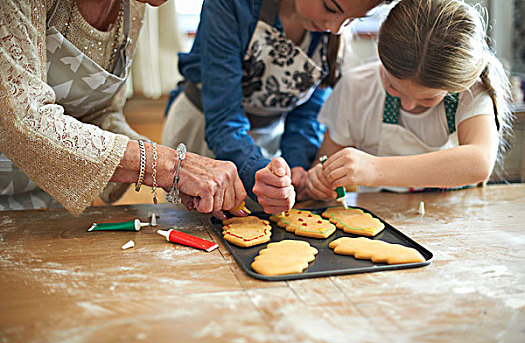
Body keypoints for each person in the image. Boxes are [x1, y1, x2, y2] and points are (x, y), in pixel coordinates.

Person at [0, 0, 247, 217]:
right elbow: (21, 119)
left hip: (48, 200)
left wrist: (178, 174)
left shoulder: (134, 6)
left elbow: (100, 115)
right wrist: (166, 166)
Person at [162, 0, 392, 214]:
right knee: (197, 223)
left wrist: (294, 169)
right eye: (330, 8)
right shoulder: (232, 5)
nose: (335, 28)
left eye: (353, 20)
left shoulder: (332, 36)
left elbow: (308, 114)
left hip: (267, 140)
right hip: (203, 129)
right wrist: (258, 172)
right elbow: (223, 119)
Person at [306, 0, 513, 199]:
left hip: (456, 222)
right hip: (383, 222)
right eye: (393, 87)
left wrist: (375, 170)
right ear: (381, 55)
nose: (408, 105)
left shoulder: (470, 92)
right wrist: (320, 180)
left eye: (428, 98)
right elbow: (324, 162)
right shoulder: (357, 87)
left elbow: (479, 162)